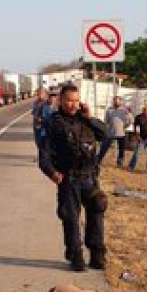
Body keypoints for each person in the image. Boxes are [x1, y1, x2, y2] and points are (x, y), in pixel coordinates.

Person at [39, 84, 108, 271]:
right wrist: (52, 173)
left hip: (89, 178)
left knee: (97, 209)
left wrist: (89, 117)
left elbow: (105, 134)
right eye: (69, 100)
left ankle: (97, 254)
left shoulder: (86, 120)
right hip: (68, 179)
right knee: (70, 218)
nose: (73, 104)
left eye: (76, 101)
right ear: (61, 100)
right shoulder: (53, 123)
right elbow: (43, 156)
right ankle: (75, 255)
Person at [97, 96, 132, 167]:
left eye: (118, 101)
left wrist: (125, 126)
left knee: (121, 149)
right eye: (115, 101)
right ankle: (98, 160)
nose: (116, 102)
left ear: (120, 102)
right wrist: (106, 130)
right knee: (104, 147)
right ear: (113, 102)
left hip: (121, 133)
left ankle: (120, 162)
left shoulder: (124, 111)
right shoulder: (109, 110)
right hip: (111, 133)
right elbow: (106, 122)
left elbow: (130, 120)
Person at [127, 101, 147, 172]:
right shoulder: (139, 117)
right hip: (142, 139)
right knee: (137, 152)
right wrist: (137, 136)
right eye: (145, 108)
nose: (146, 109)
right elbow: (136, 127)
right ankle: (131, 166)